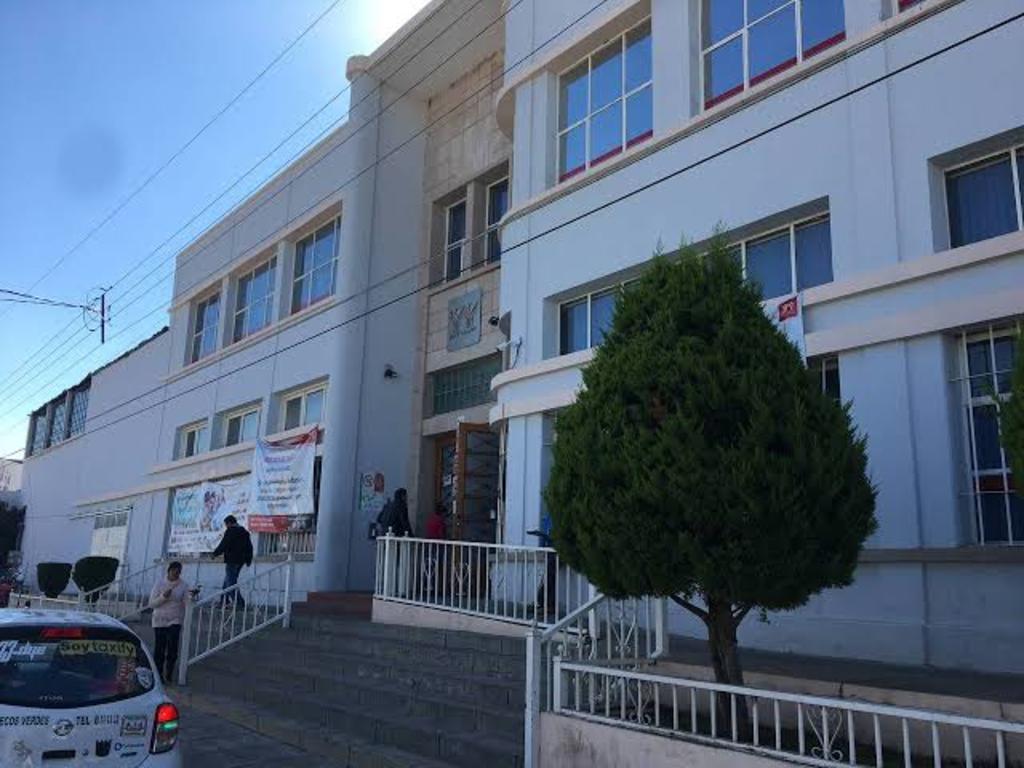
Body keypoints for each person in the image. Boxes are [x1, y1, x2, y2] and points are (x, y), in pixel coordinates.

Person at [148, 561, 191, 684]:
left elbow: (187, 602)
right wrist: (163, 597)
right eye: (174, 572)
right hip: (160, 619)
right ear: (169, 571)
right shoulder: (159, 583)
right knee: (160, 648)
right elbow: (151, 604)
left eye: (178, 572)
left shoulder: (183, 585)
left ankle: (169, 673)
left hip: (175, 619)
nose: (176, 574)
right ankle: (158, 674)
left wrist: (192, 597)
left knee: (172, 647)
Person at [210, 515, 253, 608]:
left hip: (232, 560)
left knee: (231, 583)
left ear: (229, 523)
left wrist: (215, 554)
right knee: (228, 580)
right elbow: (249, 547)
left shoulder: (231, 531)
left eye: (226, 524)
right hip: (241, 561)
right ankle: (223, 601)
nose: (226, 526)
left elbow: (224, 544)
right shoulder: (244, 532)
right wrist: (248, 560)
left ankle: (239, 603)